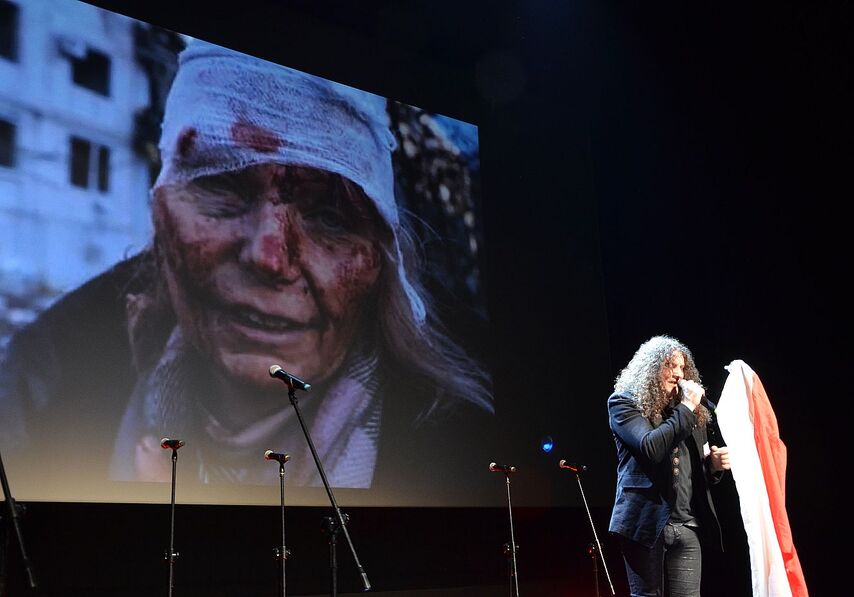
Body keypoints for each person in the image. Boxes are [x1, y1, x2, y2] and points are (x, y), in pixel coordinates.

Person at [0, 39, 492, 493]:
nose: (269, 257)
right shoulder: (41, 387)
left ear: (381, 260)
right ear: (161, 213)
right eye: (223, 188)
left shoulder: (473, 448)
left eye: (330, 217)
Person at [607, 335, 731, 596]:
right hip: (645, 523)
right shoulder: (625, 404)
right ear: (651, 369)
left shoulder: (690, 414)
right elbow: (652, 448)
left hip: (687, 525)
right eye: (669, 365)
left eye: (681, 367)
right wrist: (686, 406)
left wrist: (714, 467)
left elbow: (692, 473)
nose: (678, 374)